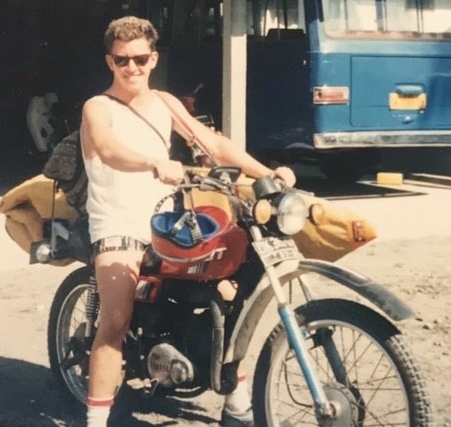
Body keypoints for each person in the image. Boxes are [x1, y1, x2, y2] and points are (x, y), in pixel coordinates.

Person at [79, 16, 296, 427]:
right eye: (122, 60)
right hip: (117, 222)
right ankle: (95, 420)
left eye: (140, 59)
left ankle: (238, 403)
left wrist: (265, 174)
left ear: (153, 58)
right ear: (110, 61)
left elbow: (211, 142)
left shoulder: (164, 102)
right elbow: (107, 149)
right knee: (115, 319)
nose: (132, 69)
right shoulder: (98, 107)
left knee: (232, 292)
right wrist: (153, 162)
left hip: (168, 220)